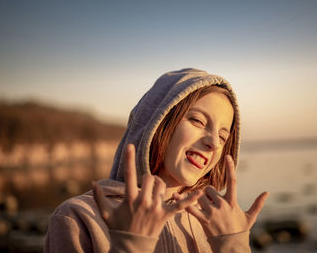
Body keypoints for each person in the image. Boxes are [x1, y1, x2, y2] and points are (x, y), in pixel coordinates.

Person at [44, 68, 269, 253]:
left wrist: (232, 245)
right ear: (157, 122)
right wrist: (131, 244)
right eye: (198, 121)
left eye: (222, 136)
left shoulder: (216, 223)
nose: (214, 143)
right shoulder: (78, 217)